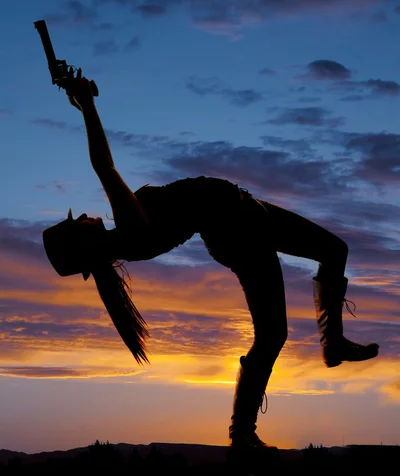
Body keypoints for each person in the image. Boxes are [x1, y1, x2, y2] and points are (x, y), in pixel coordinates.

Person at [42, 75, 379, 458]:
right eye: (78, 221)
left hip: (249, 215)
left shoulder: (126, 234)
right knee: (277, 329)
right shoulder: (131, 232)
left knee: (331, 256)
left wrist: (84, 104)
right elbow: (104, 165)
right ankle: (243, 432)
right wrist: (87, 106)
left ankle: (329, 347)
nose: (85, 215)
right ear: (82, 242)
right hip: (240, 231)